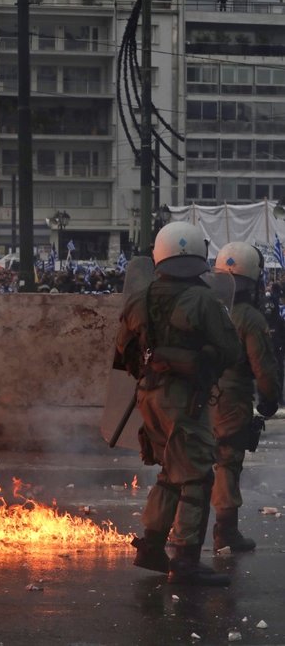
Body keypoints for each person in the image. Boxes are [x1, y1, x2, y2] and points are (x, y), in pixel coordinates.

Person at [115, 221, 240, 586]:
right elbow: (230, 351)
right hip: (186, 400)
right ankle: (185, 560)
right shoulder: (204, 300)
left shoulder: (140, 299)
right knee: (198, 475)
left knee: (171, 473)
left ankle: (151, 545)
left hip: (148, 395)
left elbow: (123, 355)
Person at [209, 243, 280, 552]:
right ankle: (225, 531)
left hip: (194, 395)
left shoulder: (202, 306)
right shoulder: (249, 318)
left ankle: (180, 530)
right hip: (231, 400)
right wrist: (269, 399)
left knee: (190, 463)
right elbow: (263, 366)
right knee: (226, 463)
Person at [259, 284, 285, 403]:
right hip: (265, 351)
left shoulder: (279, 321)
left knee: (278, 373)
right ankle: (265, 398)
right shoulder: (259, 321)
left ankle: (277, 397)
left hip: (276, 350)